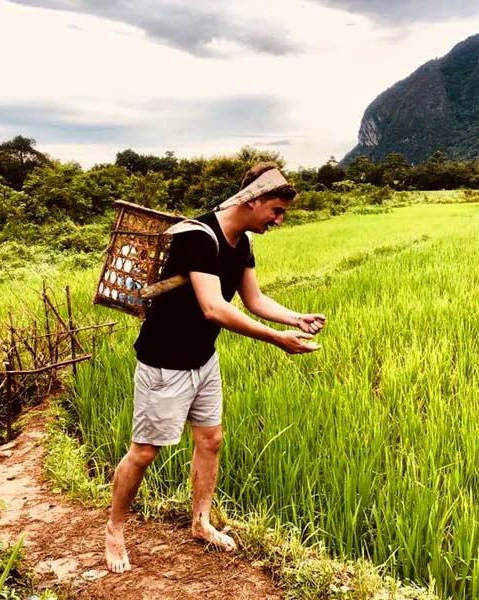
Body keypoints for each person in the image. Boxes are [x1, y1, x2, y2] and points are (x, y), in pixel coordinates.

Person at [105, 162, 326, 573]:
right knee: (145, 451)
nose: (278, 220)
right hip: (164, 361)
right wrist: (276, 339)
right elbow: (214, 307)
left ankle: (201, 522)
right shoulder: (197, 236)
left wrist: (295, 319)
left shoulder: (242, 243)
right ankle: (115, 529)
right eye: (276, 211)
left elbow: (254, 300)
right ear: (253, 200)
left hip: (203, 358)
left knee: (211, 440)